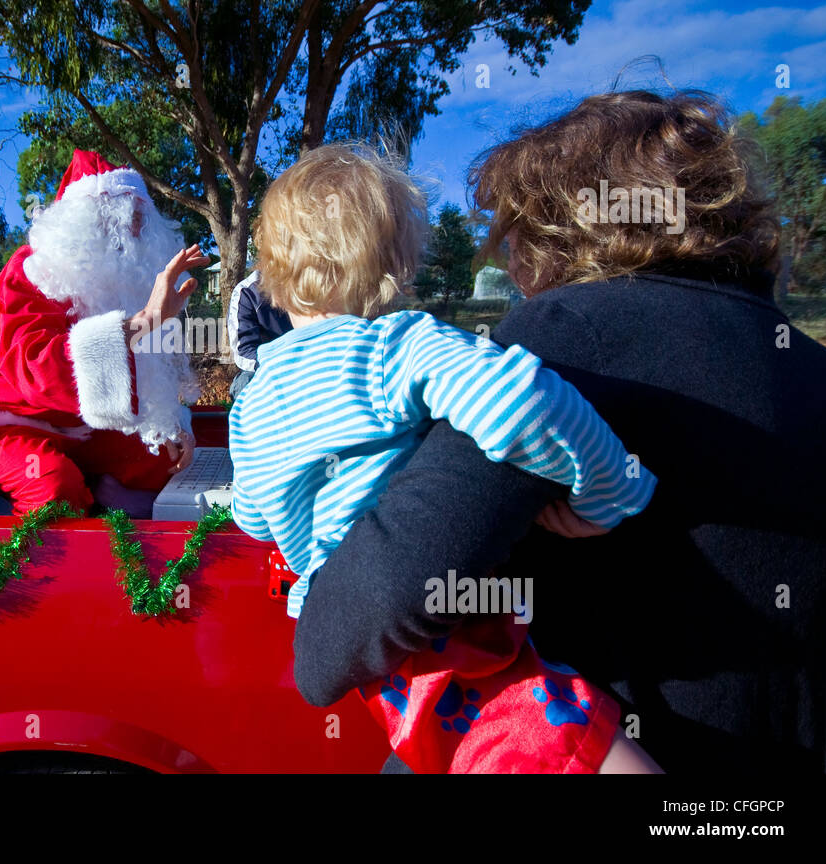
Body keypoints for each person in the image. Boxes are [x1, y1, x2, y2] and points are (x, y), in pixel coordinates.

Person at [292, 90, 826, 773]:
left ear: (560, 231)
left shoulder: (565, 339)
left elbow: (341, 639)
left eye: (513, 236)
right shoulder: (815, 368)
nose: (514, 267)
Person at [229, 143, 660, 773]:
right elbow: (518, 402)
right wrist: (607, 492)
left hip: (367, 649)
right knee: (576, 748)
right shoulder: (391, 347)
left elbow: (255, 519)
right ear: (397, 265)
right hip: (442, 634)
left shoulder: (252, 400)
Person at [0, 149, 205, 517]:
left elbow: (146, 379)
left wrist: (170, 423)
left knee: (165, 458)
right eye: (124, 218)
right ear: (85, 221)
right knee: (54, 488)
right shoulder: (32, 270)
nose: (134, 232)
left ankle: (99, 491)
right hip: (8, 421)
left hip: (79, 427)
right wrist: (145, 319)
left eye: (141, 219)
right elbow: (38, 372)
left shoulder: (119, 283)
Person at [226, 269, 292, 400]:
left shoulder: (313, 283)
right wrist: (282, 366)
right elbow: (244, 351)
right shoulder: (248, 292)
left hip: (309, 362)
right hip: (267, 368)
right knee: (245, 381)